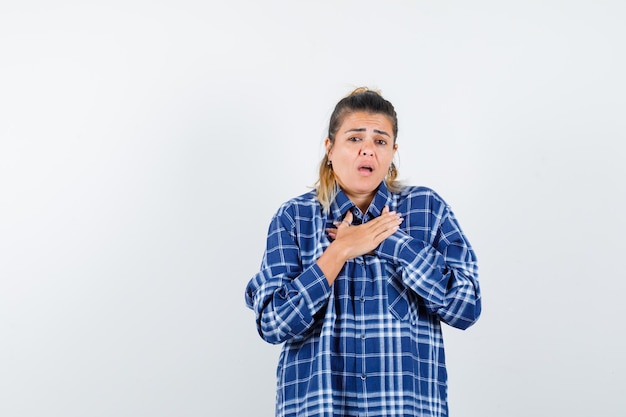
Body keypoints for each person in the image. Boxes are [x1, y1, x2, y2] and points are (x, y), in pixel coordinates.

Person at [245, 87, 481, 417]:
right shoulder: (294, 218)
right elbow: (272, 323)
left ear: (392, 151)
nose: (368, 150)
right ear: (330, 148)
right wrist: (339, 251)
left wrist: (389, 242)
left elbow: (467, 307)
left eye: (380, 141)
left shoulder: (427, 209)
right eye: (355, 138)